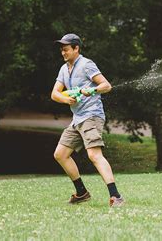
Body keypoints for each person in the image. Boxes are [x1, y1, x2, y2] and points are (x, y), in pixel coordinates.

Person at [51, 33, 125, 207]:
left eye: (66, 49)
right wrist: (66, 99)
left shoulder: (86, 64)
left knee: (94, 154)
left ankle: (116, 196)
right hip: (77, 118)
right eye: (62, 50)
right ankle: (82, 193)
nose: (63, 52)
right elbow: (54, 93)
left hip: (91, 115)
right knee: (60, 155)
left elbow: (106, 85)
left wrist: (91, 91)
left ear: (76, 48)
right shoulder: (64, 69)